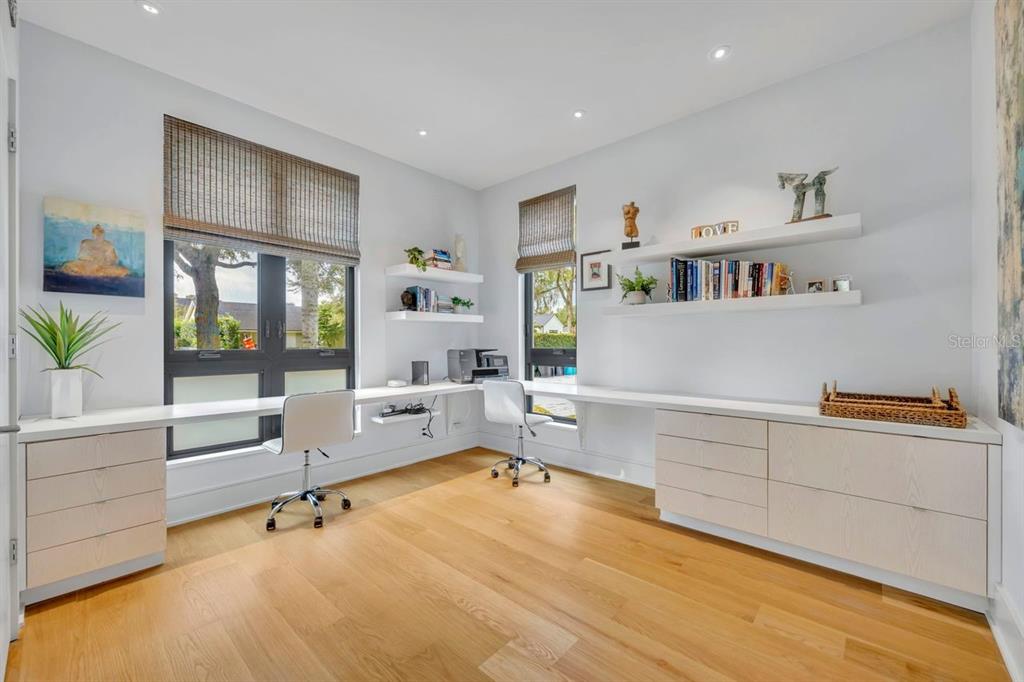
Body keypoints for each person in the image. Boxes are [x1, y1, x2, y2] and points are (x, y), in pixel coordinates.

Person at [60, 224, 129, 278]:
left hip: (102, 267)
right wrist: (91, 259)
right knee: (68, 266)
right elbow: (80, 256)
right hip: (87, 265)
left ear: (103, 234)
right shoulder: (85, 243)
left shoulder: (108, 244)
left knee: (122, 271)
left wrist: (104, 261)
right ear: (93, 234)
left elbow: (113, 259)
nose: (98, 236)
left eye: (100, 234)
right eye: (96, 234)